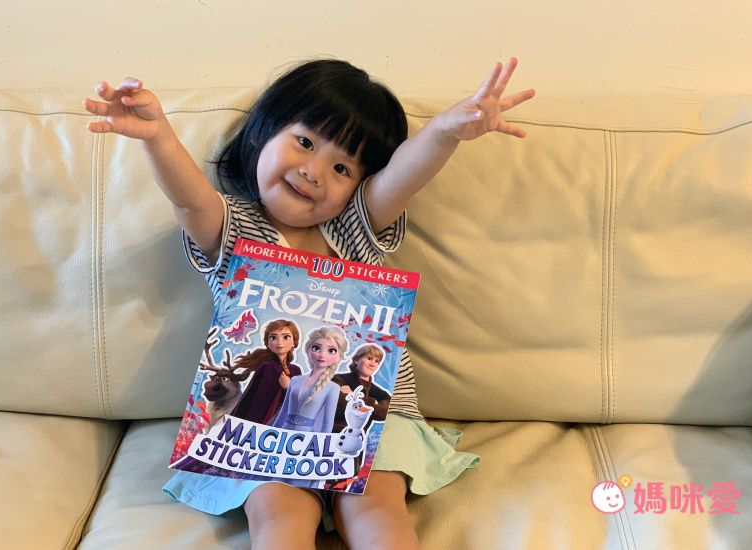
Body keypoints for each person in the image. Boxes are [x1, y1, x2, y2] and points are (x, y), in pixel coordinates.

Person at [84, 56, 534, 549]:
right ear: (264, 133)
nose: (313, 171)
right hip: (267, 424)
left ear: (358, 185)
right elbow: (190, 200)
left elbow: (404, 175)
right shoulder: (233, 232)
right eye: (304, 142)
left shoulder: (355, 227)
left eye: (342, 168)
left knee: (375, 507)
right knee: (279, 514)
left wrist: (446, 131)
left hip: (372, 417)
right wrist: (157, 136)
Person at [231, 319, 302, 425]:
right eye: (273, 337)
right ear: (268, 343)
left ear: (294, 342)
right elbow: (254, 402)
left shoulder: (295, 370)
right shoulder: (268, 367)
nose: (279, 342)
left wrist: (287, 387)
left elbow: (298, 402)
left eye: (286, 337)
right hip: (262, 422)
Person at [332, 343, 390, 433]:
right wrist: (374, 402)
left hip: (358, 438)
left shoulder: (381, 393)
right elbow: (342, 402)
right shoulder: (339, 379)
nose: (372, 364)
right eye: (369, 358)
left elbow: (385, 414)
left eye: (376, 361)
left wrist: (353, 395)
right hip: (332, 432)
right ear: (356, 360)